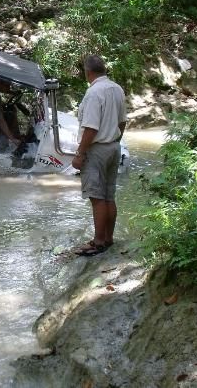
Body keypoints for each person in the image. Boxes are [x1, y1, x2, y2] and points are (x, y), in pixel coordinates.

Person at [71, 55, 127, 256]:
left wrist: (80, 154)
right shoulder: (117, 89)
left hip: (96, 150)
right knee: (109, 196)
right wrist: (115, 141)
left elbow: (91, 128)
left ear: (88, 73)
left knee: (96, 197)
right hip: (114, 146)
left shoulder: (94, 92)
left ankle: (98, 242)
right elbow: (122, 122)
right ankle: (108, 238)